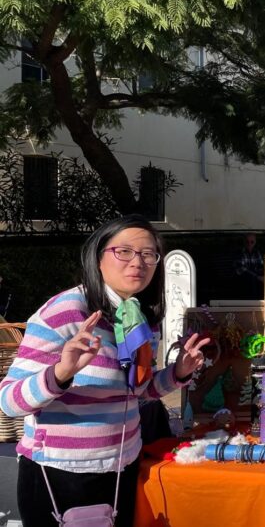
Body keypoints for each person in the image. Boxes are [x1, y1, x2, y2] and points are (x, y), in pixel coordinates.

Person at [0, 215, 210, 526]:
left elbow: (137, 391)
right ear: (99, 257)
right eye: (123, 251)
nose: (137, 262)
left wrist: (178, 372)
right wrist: (60, 372)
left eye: (148, 254)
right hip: (61, 474)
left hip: (121, 467)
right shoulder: (66, 311)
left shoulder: (135, 316)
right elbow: (9, 401)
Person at [234, 232, 264, 298]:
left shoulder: (257, 253)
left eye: (252, 242)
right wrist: (257, 276)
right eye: (247, 242)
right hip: (243, 283)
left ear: (255, 242)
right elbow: (241, 270)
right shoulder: (240, 253)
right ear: (244, 242)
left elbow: (261, 267)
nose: (249, 244)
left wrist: (261, 276)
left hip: (256, 284)